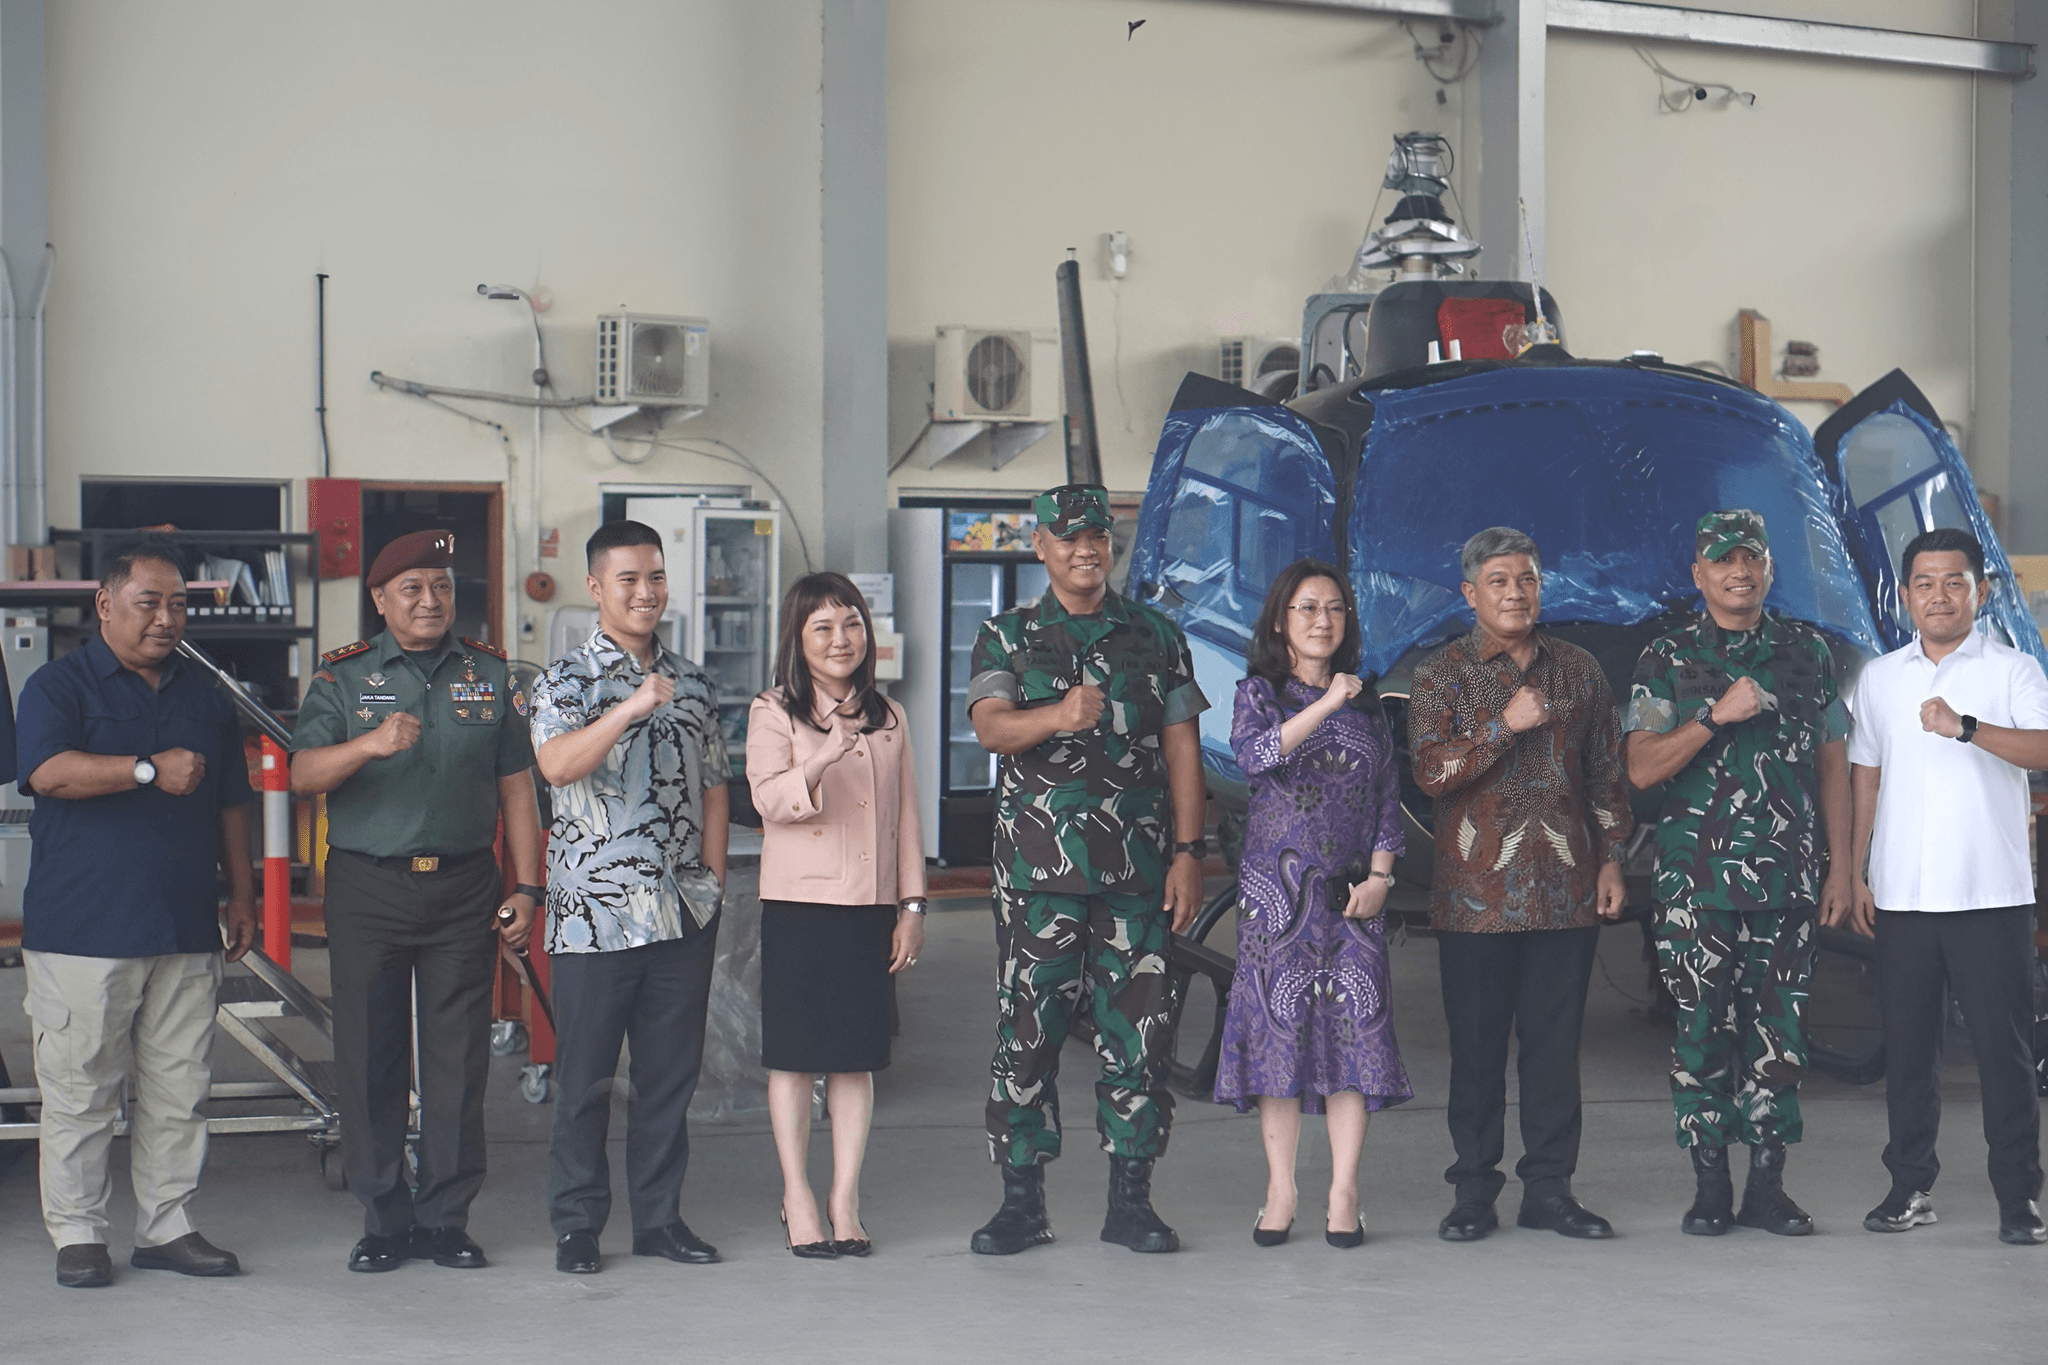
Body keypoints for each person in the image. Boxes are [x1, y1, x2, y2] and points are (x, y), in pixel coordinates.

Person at [290, 529, 544, 1273]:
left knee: (458, 1057)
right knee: (370, 1052)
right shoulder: (343, 678)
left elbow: (517, 791)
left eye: (441, 585)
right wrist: (366, 744)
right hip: (369, 883)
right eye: (412, 588)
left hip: (465, 884)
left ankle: (445, 1217)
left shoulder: (489, 674)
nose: (430, 600)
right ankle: (383, 1215)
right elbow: (304, 772)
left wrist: (527, 886)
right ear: (379, 600)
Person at [965, 482, 1209, 1256]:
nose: (1084, 549)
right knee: (1027, 1033)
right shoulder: (1006, 636)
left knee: (1138, 1034)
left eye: (1097, 536)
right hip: (1037, 883)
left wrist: (1189, 853)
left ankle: (1131, 1202)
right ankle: (1020, 1203)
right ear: (1040, 545)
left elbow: (1182, 750)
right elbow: (992, 729)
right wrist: (1059, 715)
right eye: (1068, 537)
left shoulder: (1157, 637)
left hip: (1137, 875)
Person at [16, 542, 253, 1288]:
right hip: (84, 927)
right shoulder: (58, 685)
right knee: (82, 1084)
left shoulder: (204, 692)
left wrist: (241, 891)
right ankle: (80, 1233)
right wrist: (148, 768)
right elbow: (49, 772)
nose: (166, 617)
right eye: (149, 601)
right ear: (105, 604)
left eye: (178, 602)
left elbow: (232, 801)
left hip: (183, 923)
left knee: (180, 1085)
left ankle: (167, 1225)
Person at [1625, 510, 1853, 1237]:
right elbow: (1640, 768)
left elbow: (1834, 766)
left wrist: (1843, 866)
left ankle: (1767, 1186)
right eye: (1723, 561)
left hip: (1785, 885)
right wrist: (1714, 719)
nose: (1739, 572)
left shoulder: (1807, 653)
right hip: (1696, 888)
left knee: (1780, 1036)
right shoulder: (1666, 657)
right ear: (1699, 574)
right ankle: (1710, 1184)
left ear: (1768, 568)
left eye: (1750, 558)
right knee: (1699, 1033)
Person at [1408, 526, 1632, 1242]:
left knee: (1553, 1048)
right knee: (1476, 1051)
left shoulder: (1579, 670)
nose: (1515, 592)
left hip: (1566, 893)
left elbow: (1604, 769)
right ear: (1470, 593)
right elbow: (1431, 774)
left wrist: (1610, 857)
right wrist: (1504, 725)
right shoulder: (1440, 674)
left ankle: (1550, 1190)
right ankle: (1473, 1191)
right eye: (1499, 581)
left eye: (1527, 579)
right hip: (1475, 901)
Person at [530, 520, 730, 1275]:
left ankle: (660, 1219)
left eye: (654, 577)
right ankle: (578, 1225)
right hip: (593, 919)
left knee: (666, 1079)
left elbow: (717, 786)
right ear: (595, 587)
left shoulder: (695, 681)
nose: (645, 592)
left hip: (682, 912)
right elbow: (555, 766)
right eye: (628, 579)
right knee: (582, 1079)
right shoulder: (564, 681)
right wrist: (627, 707)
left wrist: (709, 881)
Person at [1843, 526, 2048, 1245]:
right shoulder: (1881, 677)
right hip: (1902, 895)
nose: (1939, 594)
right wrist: (1858, 866)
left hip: (1989, 894)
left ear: (1981, 591)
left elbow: (2044, 746)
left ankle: (2019, 1197)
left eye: (1954, 581)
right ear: (1904, 596)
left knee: (2004, 1050)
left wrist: (1966, 726)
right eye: (1925, 583)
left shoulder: (2013, 669)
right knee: (1908, 1050)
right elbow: (1865, 770)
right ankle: (1909, 1186)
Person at [1214, 559, 1410, 1250]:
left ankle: (1344, 1188)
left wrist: (1382, 877)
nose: (1323, 619)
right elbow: (1256, 756)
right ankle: (1281, 1186)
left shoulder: (1371, 711)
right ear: (1280, 621)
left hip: (1352, 898)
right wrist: (1326, 704)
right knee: (1279, 1034)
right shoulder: (1258, 694)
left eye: (1334, 608)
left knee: (1354, 1036)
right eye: (1306, 608)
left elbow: (1388, 801)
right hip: (1276, 903)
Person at [747, 572, 927, 1259]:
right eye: (822, 627)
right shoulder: (773, 710)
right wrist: (824, 752)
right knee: (793, 1059)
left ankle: (844, 1197)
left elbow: (906, 818)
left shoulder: (890, 716)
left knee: (856, 1060)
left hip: (868, 907)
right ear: (798, 638)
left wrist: (910, 905)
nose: (840, 638)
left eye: (850, 623)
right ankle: (797, 1195)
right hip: (798, 904)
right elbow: (768, 799)